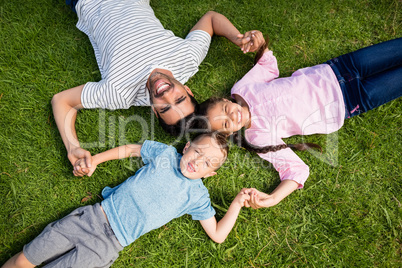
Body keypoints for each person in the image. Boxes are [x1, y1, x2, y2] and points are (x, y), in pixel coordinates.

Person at [52, 0, 264, 176]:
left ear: (153, 109)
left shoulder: (119, 93)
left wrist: (73, 147)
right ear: (188, 90)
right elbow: (210, 19)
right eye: (179, 99)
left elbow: (62, 101)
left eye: (164, 108)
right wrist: (238, 38)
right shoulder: (187, 60)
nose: (166, 95)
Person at [194, 33, 402, 209]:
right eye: (225, 123)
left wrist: (258, 42)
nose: (231, 116)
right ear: (228, 133)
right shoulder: (257, 136)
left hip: (340, 69)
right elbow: (296, 169)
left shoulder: (241, 89)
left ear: (223, 100)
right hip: (351, 101)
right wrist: (272, 198)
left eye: (224, 109)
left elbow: (268, 66)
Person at [2, 133, 252, 268]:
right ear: (186, 147)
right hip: (91, 218)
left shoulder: (197, 196)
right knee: (26, 258)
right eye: (198, 152)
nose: (198, 161)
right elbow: (133, 149)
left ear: (210, 174)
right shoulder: (165, 154)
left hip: (107, 247)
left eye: (207, 163)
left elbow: (218, 234)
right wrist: (96, 160)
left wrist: (237, 203)